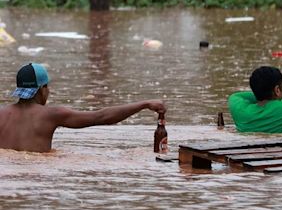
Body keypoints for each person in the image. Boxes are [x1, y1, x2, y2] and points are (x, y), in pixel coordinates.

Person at [0, 63, 166, 153]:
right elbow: (101, 117)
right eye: (47, 87)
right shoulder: (51, 115)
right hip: (38, 177)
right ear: (41, 89)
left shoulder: (2, 114)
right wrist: (144, 104)